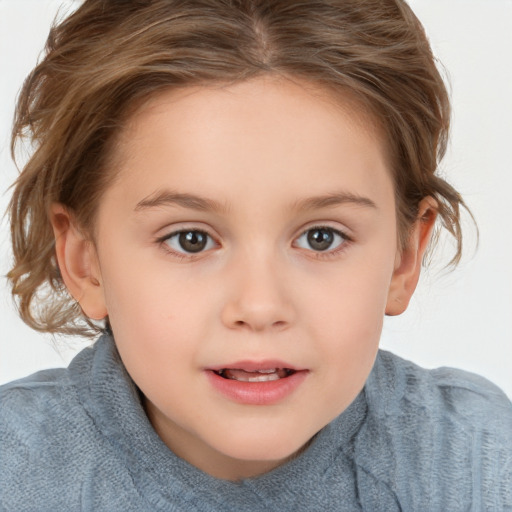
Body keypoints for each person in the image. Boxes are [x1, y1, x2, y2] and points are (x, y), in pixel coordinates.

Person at [1, 0, 511, 510]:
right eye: (190, 239)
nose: (260, 306)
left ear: (404, 257)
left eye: (321, 238)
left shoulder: (477, 464)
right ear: (85, 261)